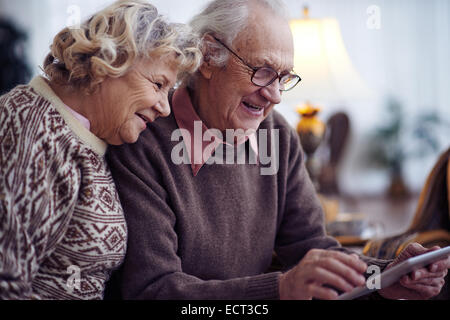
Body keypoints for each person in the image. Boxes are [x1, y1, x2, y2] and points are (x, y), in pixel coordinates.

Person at [106, 0, 449, 300]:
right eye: (263, 72)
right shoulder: (143, 137)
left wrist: (384, 277)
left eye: (283, 78)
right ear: (209, 56)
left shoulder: (277, 134)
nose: (275, 95)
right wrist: (280, 290)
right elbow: (152, 290)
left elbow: (311, 249)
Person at [0, 0, 201, 300]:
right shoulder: (35, 129)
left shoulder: (85, 133)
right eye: (158, 84)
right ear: (108, 62)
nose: (163, 107)